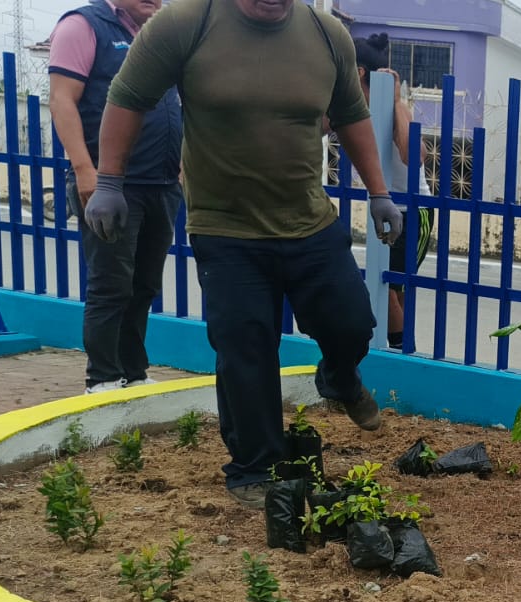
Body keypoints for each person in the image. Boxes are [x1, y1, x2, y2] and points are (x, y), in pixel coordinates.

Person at [86, 0, 404, 509]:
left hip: (308, 221)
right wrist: (109, 181)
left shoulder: (326, 35)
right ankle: (254, 468)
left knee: (350, 324)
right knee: (245, 348)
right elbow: (128, 97)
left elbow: (351, 115)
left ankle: (339, 377)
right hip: (225, 227)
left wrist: (379, 192)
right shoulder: (185, 24)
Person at [46, 0, 181, 394]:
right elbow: (62, 100)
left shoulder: (161, 31)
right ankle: (102, 377)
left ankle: (133, 373)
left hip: (160, 183)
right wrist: (85, 170)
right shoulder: (84, 26)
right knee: (111, 285)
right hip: (111, 185)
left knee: (144, 285)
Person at [351, 32, 436, 351]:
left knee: (387, 286)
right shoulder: (357, 109)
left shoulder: (394, 109)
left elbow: (413, 156)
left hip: (412, 211)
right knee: (390, 288)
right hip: (384, 207)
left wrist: (398, 101)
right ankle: (399, 349)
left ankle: (401, 350)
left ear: (359, 71)